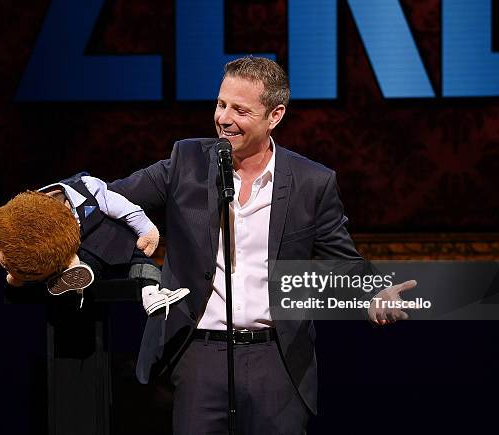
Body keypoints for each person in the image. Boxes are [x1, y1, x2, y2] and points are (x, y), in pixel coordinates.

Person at [109, 56, 416, 434]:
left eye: (240, 110)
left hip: (277, 359)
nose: (224, 118)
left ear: (275, 115)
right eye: (221, 104)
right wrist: (58, 207)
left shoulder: (311, 182)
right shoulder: (184, 163)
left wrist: (373, 293)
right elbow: (112, 201)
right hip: (199, 355)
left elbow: (343, 261)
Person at [0, 172, 189, 316]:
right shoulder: (34, 214)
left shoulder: (87, 189)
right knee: (83, 263)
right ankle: (74, 277)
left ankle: (151, 296)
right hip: (83, 254)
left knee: (138, 261)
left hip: (113, 242)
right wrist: (17, 275)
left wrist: (146, 229)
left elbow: (122, 208)